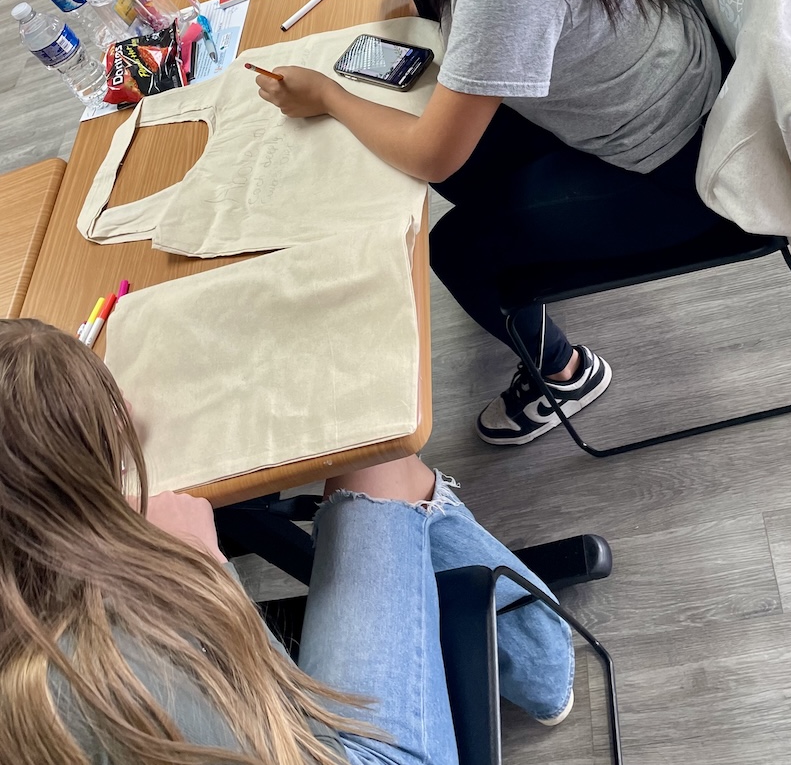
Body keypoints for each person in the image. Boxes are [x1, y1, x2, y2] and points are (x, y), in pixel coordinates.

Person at [255, 0, 724, 446]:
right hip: (656, 70)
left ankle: (564, 371)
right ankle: (536, 254)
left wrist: (327, 93)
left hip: (670, 159)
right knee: (458, 170)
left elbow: (428, 150)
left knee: (457, 248)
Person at [0, 316, 574, 765]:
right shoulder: (114, 653)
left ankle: (538, 661)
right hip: (320, 749)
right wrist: (205, 568)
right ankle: (545, 668)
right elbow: (270, 722)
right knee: (381, 458)